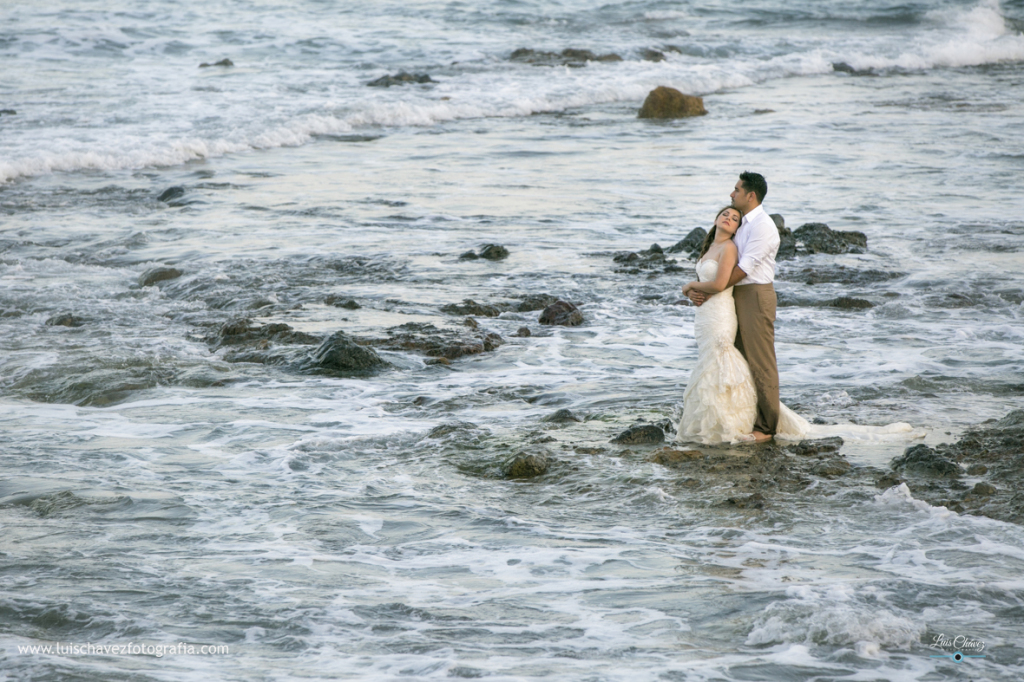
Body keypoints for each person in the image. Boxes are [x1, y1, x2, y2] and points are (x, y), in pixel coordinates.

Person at [678, 205, 809, 444]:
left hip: (720, 313)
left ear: (738, 227)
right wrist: (692, 293)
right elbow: (705, 281)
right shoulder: (710, 247)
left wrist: (688, 286)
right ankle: (716, 418)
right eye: (725, 214)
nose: (729, 218)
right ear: (716, 218)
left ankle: (734, 420)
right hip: (705, 315)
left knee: (723, 361)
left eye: (735, 218)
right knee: (711, 362)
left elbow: (720, 285)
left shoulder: (729, 248)